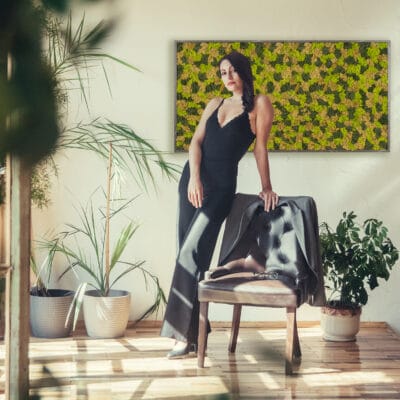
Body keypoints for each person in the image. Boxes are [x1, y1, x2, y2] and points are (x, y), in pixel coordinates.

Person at [160, 50, 278, 358]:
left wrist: (267, 187)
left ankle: (183, 336)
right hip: (193, 182)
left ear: (244, 71)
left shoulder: (260, 104)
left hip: (222, 188)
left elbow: (260, 150)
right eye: (223, 72)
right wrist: (194, 178)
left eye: (232, 70)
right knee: (187, 254)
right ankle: (195, 332)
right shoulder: (214, 104)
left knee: (191, 252)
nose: (227, 77)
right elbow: (195, 142)